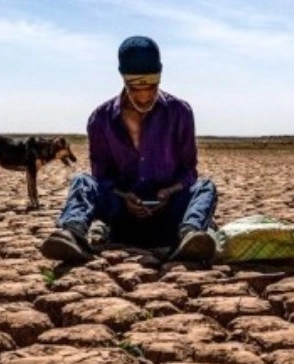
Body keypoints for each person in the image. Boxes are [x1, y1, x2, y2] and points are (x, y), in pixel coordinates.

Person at [42, 36, 218, 264]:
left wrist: (169, 192)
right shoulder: (101, 119)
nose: (144, 96)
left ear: (160, 75)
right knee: (82, 182)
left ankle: (191, 237)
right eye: (135, 87)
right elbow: (102, 177)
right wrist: (125, 197)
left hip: (168, 217)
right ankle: (72, 234)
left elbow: (188, 172)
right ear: (123, 77)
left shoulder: (180, 112)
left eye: (152, 86)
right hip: (122, 217)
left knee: (205, 187)